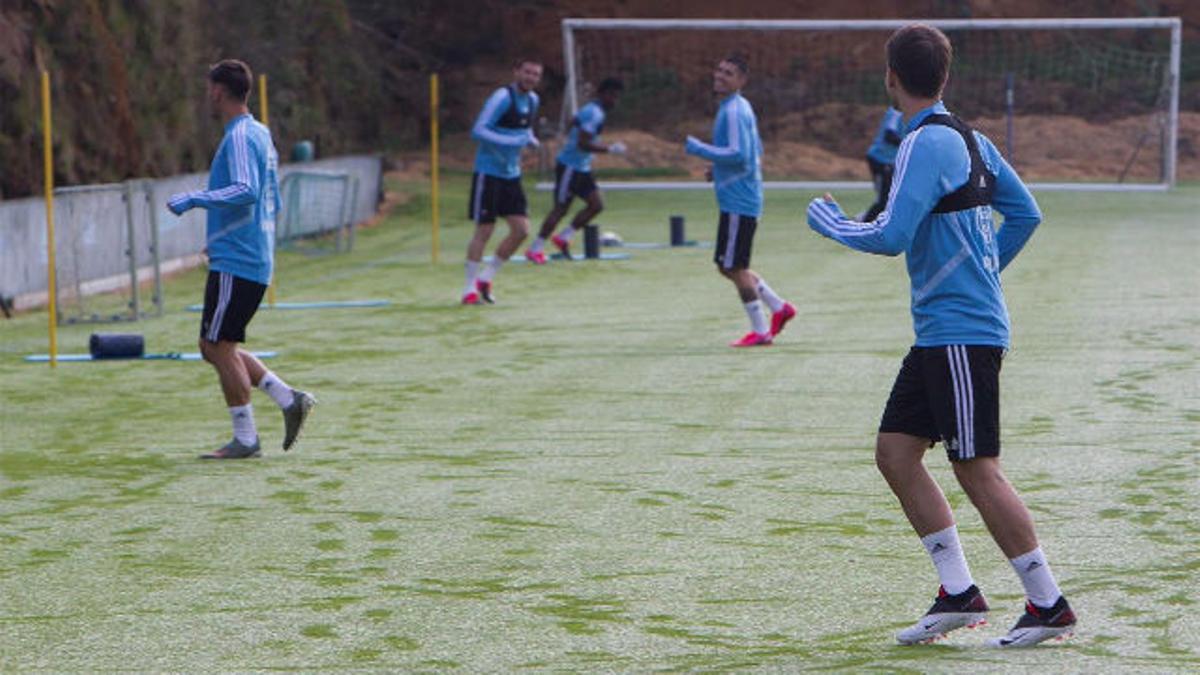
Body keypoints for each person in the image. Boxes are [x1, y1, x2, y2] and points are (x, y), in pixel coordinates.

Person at [806, 24, 1076, 647]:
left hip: (960, 333)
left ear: (890, 78)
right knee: (895, 453)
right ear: (945, 76)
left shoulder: (924, 142)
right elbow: (1026, 213)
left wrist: (835, 225)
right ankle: (959, 593)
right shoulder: (975, 139)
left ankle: (1048, 604)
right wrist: (982, 272)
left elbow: (892, 235)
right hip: (943, 333)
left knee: (977, 469)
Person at [167, 59, 315, 459]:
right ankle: (287, 399)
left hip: (240, 260)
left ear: (218, 91)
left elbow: (247, 190)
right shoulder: (260, 133)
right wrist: (222, 236)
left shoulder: (238, 137)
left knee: (217, 346)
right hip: (244, 254)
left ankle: (247, 438)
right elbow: (273, 200)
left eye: (208, 88)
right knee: (213, 345)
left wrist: (196, 199)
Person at [684, 54, 795, 347]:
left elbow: (738, 154)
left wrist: (699, 149)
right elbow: (754, 150)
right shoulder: (739, 107)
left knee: (734, 268)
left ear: (741, 81)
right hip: (740, 198)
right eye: (719, 69)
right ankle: (780, 308)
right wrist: (717, 170)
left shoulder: (734, 110)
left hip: (739, 202)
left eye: (729, 73)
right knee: (729, 265)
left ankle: (761, 331)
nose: (720, 75)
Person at [462, 59, 543, 304]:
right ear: (516, 72)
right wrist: (511, 143)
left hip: (511, 174)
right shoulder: (502, 97)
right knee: (485, 230)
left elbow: (525, 130)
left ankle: (486, 278)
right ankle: (469, 289)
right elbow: (478, 131)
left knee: (521, 230)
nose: (530, 77)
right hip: (488, 172)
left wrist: (531, 140)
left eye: (536, 75)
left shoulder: (533, 101)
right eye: (527, 72)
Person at [526, 78, 627, 264]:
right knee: (561, 208)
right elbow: (583, 143)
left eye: (617, 96)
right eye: (613, 96)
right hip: (570, 167)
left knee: (596, 205)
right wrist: (610, 149)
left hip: (582, 167)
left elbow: (573, 122)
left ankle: (563, 237)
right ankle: (535, 249)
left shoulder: (592, 110)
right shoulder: (594, 113)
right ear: (603, 94)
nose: (615, 100)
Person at [861, 105, 904, 222]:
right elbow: (889, 135)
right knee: (884, 200)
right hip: (879, 160)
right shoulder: (897, 111)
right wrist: (907, 142)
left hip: (889, 162)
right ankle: (862, 224)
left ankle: (865, 219)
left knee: (889, 199)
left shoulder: (913, 113)